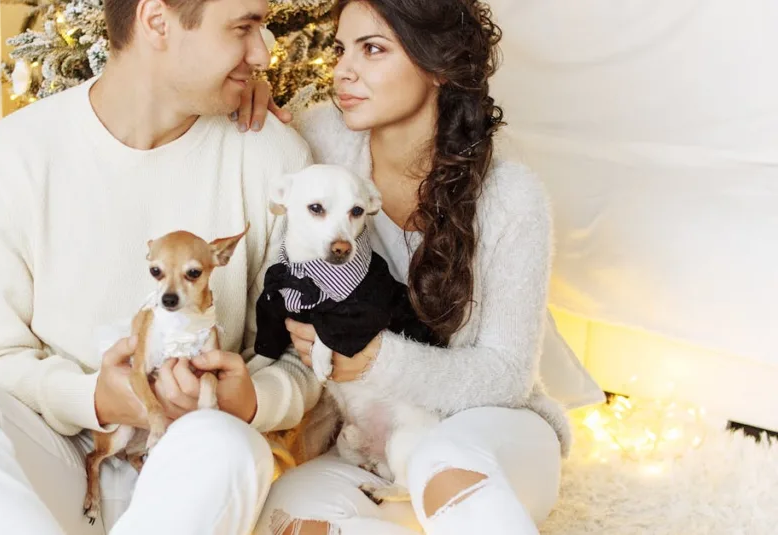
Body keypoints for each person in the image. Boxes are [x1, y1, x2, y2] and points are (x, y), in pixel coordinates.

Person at [0, 1, 322, 534]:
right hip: (55, 459)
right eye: (243, 28)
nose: (262, 53)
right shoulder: (10, 157)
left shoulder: (274, 161)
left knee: (228, 446)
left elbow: (307, 356)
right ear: (155, 21)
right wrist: (94, 399)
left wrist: (253, 400)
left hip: (193, 468)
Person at [235, 0, 573, 533]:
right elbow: (246, 140)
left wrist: (372, 361)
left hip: (489, 430)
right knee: (284, 517)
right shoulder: (319, 138)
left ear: (438, 64)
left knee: (441, 464)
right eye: (342, 49)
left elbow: (506, 376)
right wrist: (244, 95)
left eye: (373, 50)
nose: (343, 69)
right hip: (372, 441)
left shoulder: (511, 197)